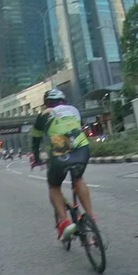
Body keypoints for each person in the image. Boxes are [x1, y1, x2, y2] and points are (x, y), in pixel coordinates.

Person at [29, 88, 94, 242]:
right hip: (82, 147)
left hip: (61, 150)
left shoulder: (44, 114)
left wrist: (37, 158)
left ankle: (64, 222)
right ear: (63, 100)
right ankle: (91, 217)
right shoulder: (74, 110)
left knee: (54, 186)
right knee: (78, 179)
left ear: (46, 103)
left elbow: (36, 140)